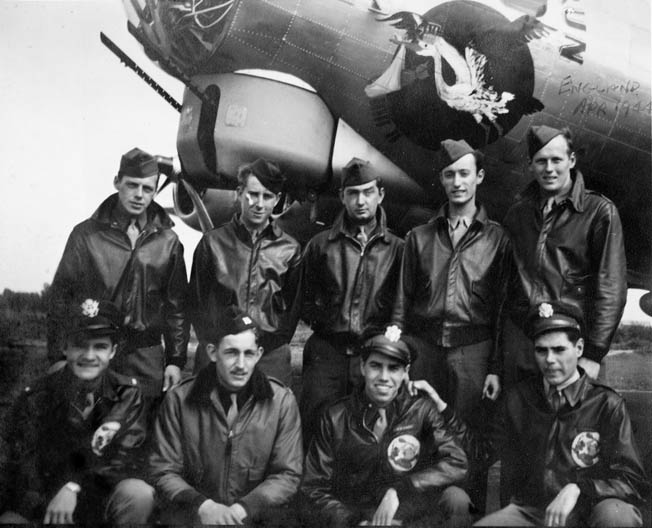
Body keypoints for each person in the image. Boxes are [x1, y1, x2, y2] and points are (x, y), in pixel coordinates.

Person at [411, 302, 648, 527]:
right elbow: (480, 453)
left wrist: (579, 488)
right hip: (533, 512)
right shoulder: (519, 398)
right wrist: (441, 406)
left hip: (587, 510)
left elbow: (631, 480)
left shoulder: (607, 404)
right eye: (541, 351)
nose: (550, 360)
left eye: (559, 349)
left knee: (618, 515)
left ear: (579, 349)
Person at [390, 139, 512, 509]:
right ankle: (417, 510)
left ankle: (465, 512)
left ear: (479, 177)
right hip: (424, 349)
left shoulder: (497, 239)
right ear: (441, 181)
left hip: (472, 353)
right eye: (449, 175)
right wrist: (399, 356)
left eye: (464, 173)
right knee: (420, 432)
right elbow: (400, 302)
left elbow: (502, 310)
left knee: (466, 439)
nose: (457, 182)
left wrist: (493, 368)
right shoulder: (418, 237)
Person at [47, 147, 189, 412]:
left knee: (141, 431)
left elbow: (176, 308)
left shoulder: (168, 242)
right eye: (132, 185)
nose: (139, 195)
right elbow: (60, 300)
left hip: (146, 355)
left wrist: (175, 360)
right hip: (97, 349)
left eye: (147, 189)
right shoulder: (85, 236)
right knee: (90, 430)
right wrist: (57, 357)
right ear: (117, 182)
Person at [0, 299, 154, 525]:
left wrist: (74, 487)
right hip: (48, 502)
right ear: (65, 348)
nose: (89, 355)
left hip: (98, 498)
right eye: (80, 345)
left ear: (113, 352)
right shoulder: (37, 395)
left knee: (138, 494)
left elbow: (125, 458)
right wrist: (48, 503)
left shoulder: (127, 394)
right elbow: (25, 464)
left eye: (100, 346)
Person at [149, 306, 303, 525]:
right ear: (212, 352)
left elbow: (288, 474)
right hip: (197, 518)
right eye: (231, 353)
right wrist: (204, 506)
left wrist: (244, 508)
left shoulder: (281, 402)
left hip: (251, 519)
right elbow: (163, 470)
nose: (241, 365)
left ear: (259, 355)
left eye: (248, 354)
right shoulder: (179, 400)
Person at [301, 333, 471, 528]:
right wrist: (354, 522)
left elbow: (457, 462)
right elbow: (313, 487)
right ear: (362, 367)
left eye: (393, 368)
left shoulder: (422, 411)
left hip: (408, 515)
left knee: (456, 499)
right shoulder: (335, 417)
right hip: (357, 518)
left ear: (406, 372)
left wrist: (400, 489)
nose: (384, 377)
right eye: (375, 366)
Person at [502, 125, 626, 385]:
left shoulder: (599, 212)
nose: (549, 169)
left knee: (573, 423)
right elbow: (506, 286)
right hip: (524, 349)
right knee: (521, 422)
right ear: (530, 165)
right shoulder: (517, 215)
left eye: (556, 160)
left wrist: (593, 353)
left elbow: (611, 287)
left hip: (571, 349)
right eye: (541, 161)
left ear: (571, 160)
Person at [300, 157, 404, 444]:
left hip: (370, 355)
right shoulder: (320, 245)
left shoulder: (397, 249)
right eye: (353, 193)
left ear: (380, 195)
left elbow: (401, 303)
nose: (361, 201)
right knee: (315, 429)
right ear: (342, 197)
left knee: (367, 435)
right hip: (327, 355)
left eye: (368, 192)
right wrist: (327, 320)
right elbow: (304, 298)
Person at [189, 158, 301, 384]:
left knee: (270, 416)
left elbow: (292, 310)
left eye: (267, 196)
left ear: (277, 200)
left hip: (269, 356)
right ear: (239, 193)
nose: (259, 204)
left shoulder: (290, 250)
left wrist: (269, 343)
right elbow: (196, 302)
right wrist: (217, 343)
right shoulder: (212, 244)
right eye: (253, 194)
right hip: (220, 352)